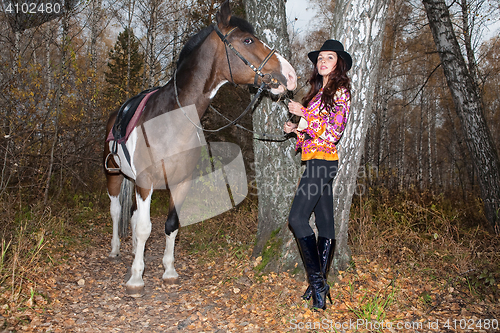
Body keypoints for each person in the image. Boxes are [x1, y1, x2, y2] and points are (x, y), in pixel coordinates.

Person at [284, 40, 352, 310]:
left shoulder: (341, 91)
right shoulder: (316, 92)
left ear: (338, 63)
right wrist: (296, 129)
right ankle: (319, 289)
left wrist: (305, 117)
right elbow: (314, 131)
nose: (322, 61)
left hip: (324, 163)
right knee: (325, 224)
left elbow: (334, 133)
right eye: (320, 57)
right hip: (315, 160)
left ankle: (318, 284)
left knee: (297, 218)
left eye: (329, 57)